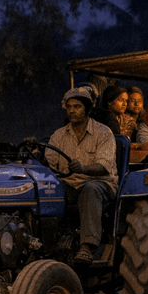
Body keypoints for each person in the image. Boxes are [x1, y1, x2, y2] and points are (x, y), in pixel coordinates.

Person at [46, 87, 118, 265]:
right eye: (69, 106)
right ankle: (47, 243)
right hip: (70, 184)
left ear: (88, 109)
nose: (72, 110)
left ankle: (88, 246)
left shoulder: (104, 133)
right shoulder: (58, 135)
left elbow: (104, 166)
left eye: (77, 106)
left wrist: (83, 168)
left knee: (90, 189)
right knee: (47, 190)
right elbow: (49, 164)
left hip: (100, 183)